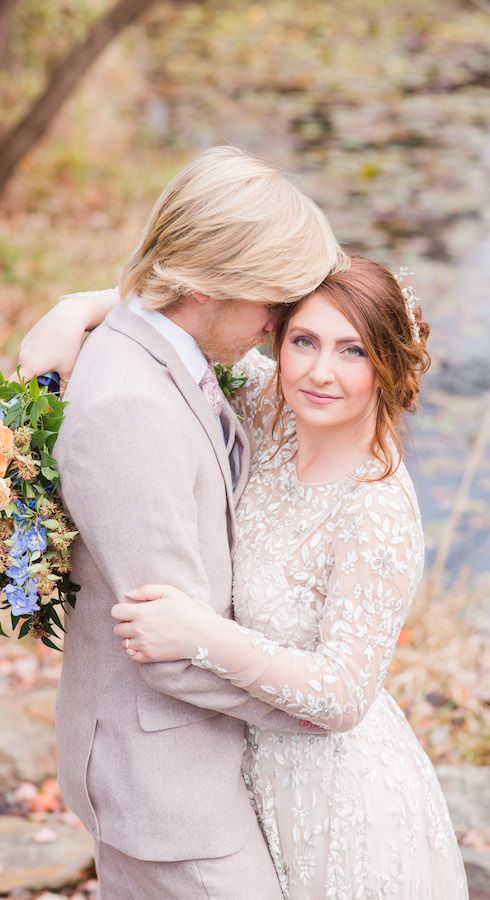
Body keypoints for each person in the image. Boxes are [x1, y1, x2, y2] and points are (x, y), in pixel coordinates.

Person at [20, 251, 469, 897]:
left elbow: (344, 694)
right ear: (275, 337)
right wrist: (76, 310)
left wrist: (200, 634)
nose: (320, 372)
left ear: (389, 363)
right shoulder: (271, 403)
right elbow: (187, 316)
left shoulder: (376, 509)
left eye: (353, 351)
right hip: (235, 763)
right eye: (304, 341)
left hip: (330, 792)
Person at [18, 145, 349, 900]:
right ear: (208, 282)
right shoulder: (132, 409)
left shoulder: (160, 343)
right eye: (272, 299)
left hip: (184, 762)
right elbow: (165, 644)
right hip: (163, 783)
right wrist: (316, 705)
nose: (277, 326)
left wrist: (82, 302)